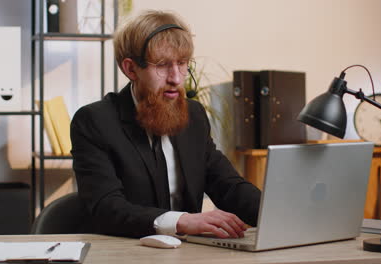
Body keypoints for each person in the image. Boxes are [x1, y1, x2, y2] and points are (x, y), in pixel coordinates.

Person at [70, 10, 261, 239]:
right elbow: (106, 208)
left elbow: (228, 186)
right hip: (124, 252)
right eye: (162, 65)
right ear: (130, 69)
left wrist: (278, 215)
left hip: (187, 254)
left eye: (182, 64)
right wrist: (181, 221)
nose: (177, 79)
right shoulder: (94, 121)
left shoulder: (195, 115)